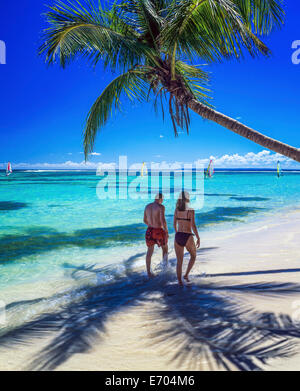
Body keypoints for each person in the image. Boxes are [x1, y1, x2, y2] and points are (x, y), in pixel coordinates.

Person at [173, 191, 200, 285]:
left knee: (179, 261)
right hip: (188, 236)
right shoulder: (191, 210)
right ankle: (186, 275)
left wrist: (178, 233)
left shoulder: (176, 210)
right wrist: (198, 237)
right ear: (187, 198)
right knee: (193, 256)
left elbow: (174, 225)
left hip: (178, 236)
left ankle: (180, 282)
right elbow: (193, 225)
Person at [144, 193, 169, 278]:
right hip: (158, 231)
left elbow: (144, 220)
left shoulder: (147, 206)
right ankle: (165, 270)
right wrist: (166, 231)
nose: (162, 202)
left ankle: (148, 273)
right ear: (160, 199)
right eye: (162, 200)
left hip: (149, 230)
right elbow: (163, 221)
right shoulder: (161, 207)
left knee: (149, 251)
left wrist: (151, 225)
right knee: (165, 248)